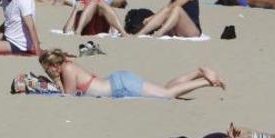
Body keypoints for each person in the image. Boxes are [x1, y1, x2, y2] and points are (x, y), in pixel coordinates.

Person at [39, 49, 225, 99]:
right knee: (165, 89)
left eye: (47, 68)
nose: (47, 71)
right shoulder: (68, 67)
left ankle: (206, 81)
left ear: (53, 65)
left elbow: (68, 96)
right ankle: (198, 72)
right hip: (119, 82)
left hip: (120, 85)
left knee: (167, 95)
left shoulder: (68, 69)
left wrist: (55, 79)